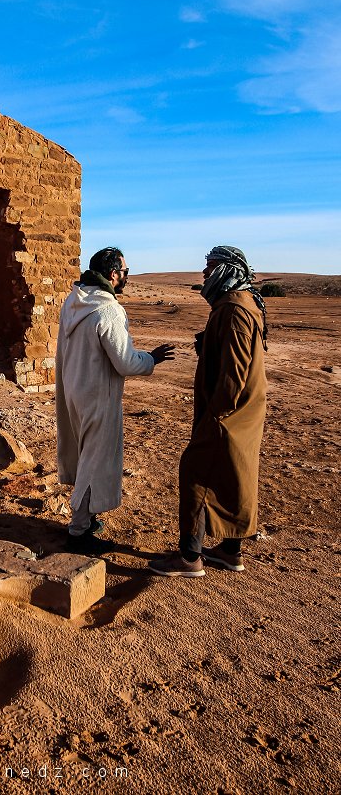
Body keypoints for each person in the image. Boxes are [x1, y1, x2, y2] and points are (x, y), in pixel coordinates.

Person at [149, 245, 268, 578]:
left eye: (211, 267)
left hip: (229, 413)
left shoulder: (235, 309)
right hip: (242, 411)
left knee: (196, 472)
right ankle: (230, 552)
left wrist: (215, 416)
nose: (204, 274)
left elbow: (235, 371)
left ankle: (189, 558)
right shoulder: (235, 304)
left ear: (229, 270)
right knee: (235, 474)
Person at [56, 247, 175, 555]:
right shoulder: (108, 309)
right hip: (97, 396)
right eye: (125, 272)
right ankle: (79, 531)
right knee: (94, 463)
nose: (126, 278)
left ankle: (89, 518)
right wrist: (151, 358)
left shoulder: (73, 301)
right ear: (112, 275)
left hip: (74, 391)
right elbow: (125, 363)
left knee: (86, 456)